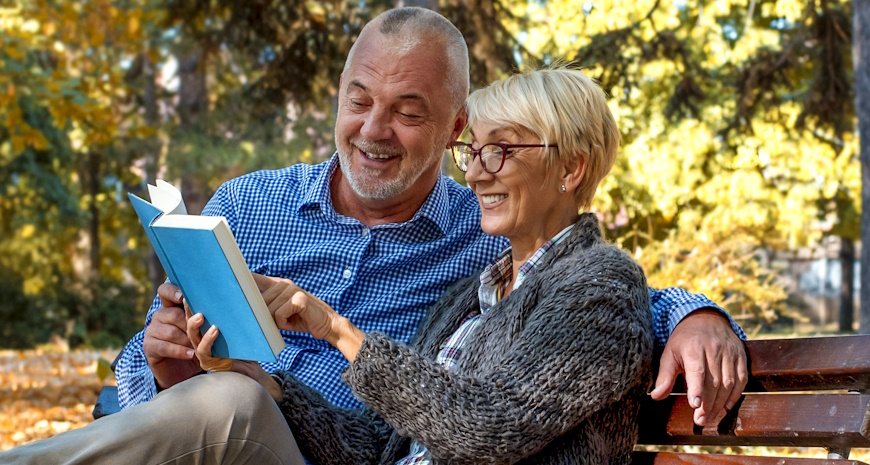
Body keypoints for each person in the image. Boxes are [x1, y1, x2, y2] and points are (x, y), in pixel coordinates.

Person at [114, 7, 746, 428]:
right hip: (200, 434)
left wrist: (697, 315)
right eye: (358, 101)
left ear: (455, 128)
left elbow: (600, 294)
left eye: (408, 112)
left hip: (315, 448)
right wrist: (165, 367)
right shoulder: (246, 207)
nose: (373, 130)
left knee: (230, 405)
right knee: (215, 402)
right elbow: (145, 366)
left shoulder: (486, 233)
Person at [186, 63, 661, 463]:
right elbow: (375, 449)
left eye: (498, 151)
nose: (475, 172)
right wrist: (267, 385)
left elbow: (485, 428)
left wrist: (335, 328)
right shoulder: (472, 295)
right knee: (230, 401)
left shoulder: (601, 286)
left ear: (571, 168)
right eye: (473, 150)